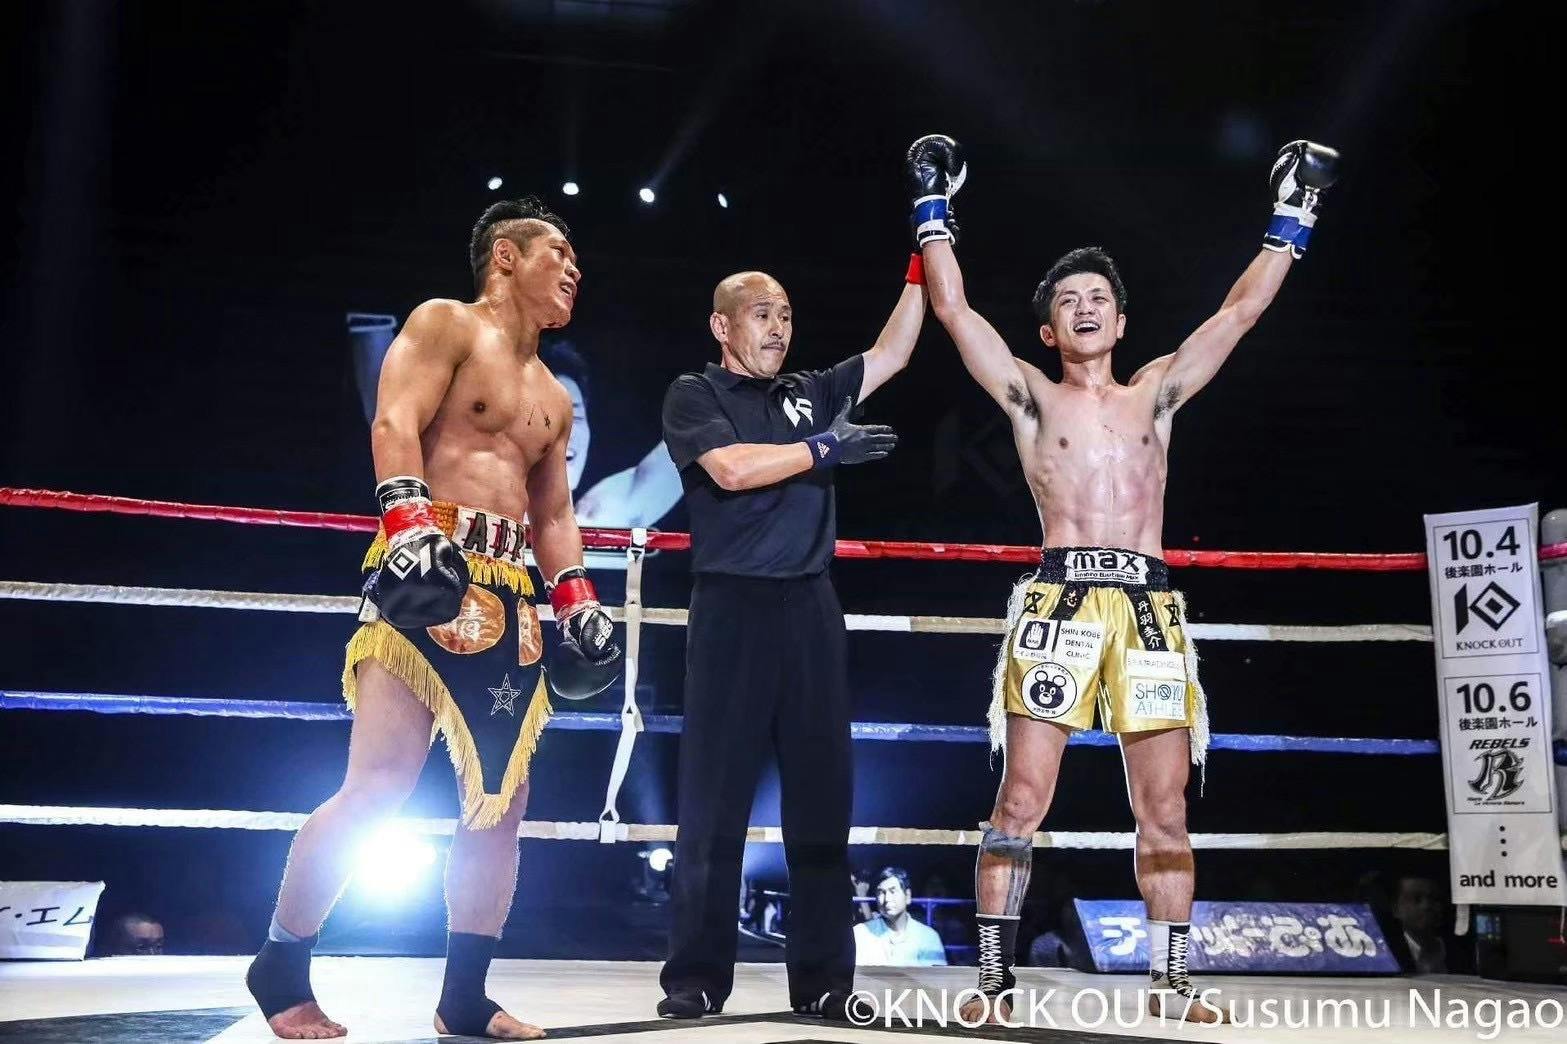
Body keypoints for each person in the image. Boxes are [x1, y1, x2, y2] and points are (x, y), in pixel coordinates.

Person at [911, 133, 1339, 1023]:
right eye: (1067, 301)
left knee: (1165, 806)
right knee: (1018, 798)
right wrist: (931, 205)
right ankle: (991, 985)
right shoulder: (1031, 397)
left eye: (1098, 298)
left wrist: (1292, 214)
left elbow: (1238, 313)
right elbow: (951, 311)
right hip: (1060, 601)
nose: (1084, 308)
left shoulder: (1156, 393)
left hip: (1147, 606)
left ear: (1120, 321)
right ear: (1047, 329)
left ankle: (1170, 986)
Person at [246, 196, 622, 1041]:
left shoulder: (552, 396)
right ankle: (281, 964)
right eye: (557, 253)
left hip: (512, 592)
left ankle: (464, 997)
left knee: (501, 803)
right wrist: (409, 525)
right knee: (379, 783)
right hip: (430, 566)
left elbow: (554, 514)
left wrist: (577, 599)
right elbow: (396, 421)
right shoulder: (446, 323)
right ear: (505, 257)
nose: (573, 270)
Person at [656, 261, 926, 1021]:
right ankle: (695, 978)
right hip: (730, 605)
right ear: (722, 325)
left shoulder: (810, 391)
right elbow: (731, 470)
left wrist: (923, 248)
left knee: (822, 798)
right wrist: (825, 449)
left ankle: (824, 981)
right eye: (762, 314)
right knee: (713, 802)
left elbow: (894, 350)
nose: (778, 328)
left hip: (810, 607)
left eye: (785, 315)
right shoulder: (694, 394)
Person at [852, 868, 948, 967]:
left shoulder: (928, 937)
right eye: (881, 892)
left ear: (907, 896)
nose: (887, 899)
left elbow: (937, 976)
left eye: (893, 891)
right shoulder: (860, 933)